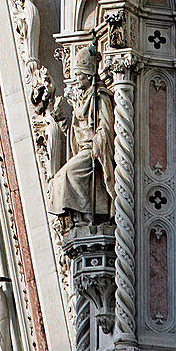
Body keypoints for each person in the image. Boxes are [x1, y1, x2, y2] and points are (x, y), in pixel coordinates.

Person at [48, 44, 115, 221]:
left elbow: (106, 126)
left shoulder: (99, 97)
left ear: (88, 74)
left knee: (68, 174)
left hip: (93, 150)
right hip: (83, 150)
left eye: (79, 75)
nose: (76, 79)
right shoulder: (84, 99)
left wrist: (98, 144)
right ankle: (79, 218)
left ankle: (88, 214)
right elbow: (75, 132)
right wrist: (60, 117)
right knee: (57, 179)